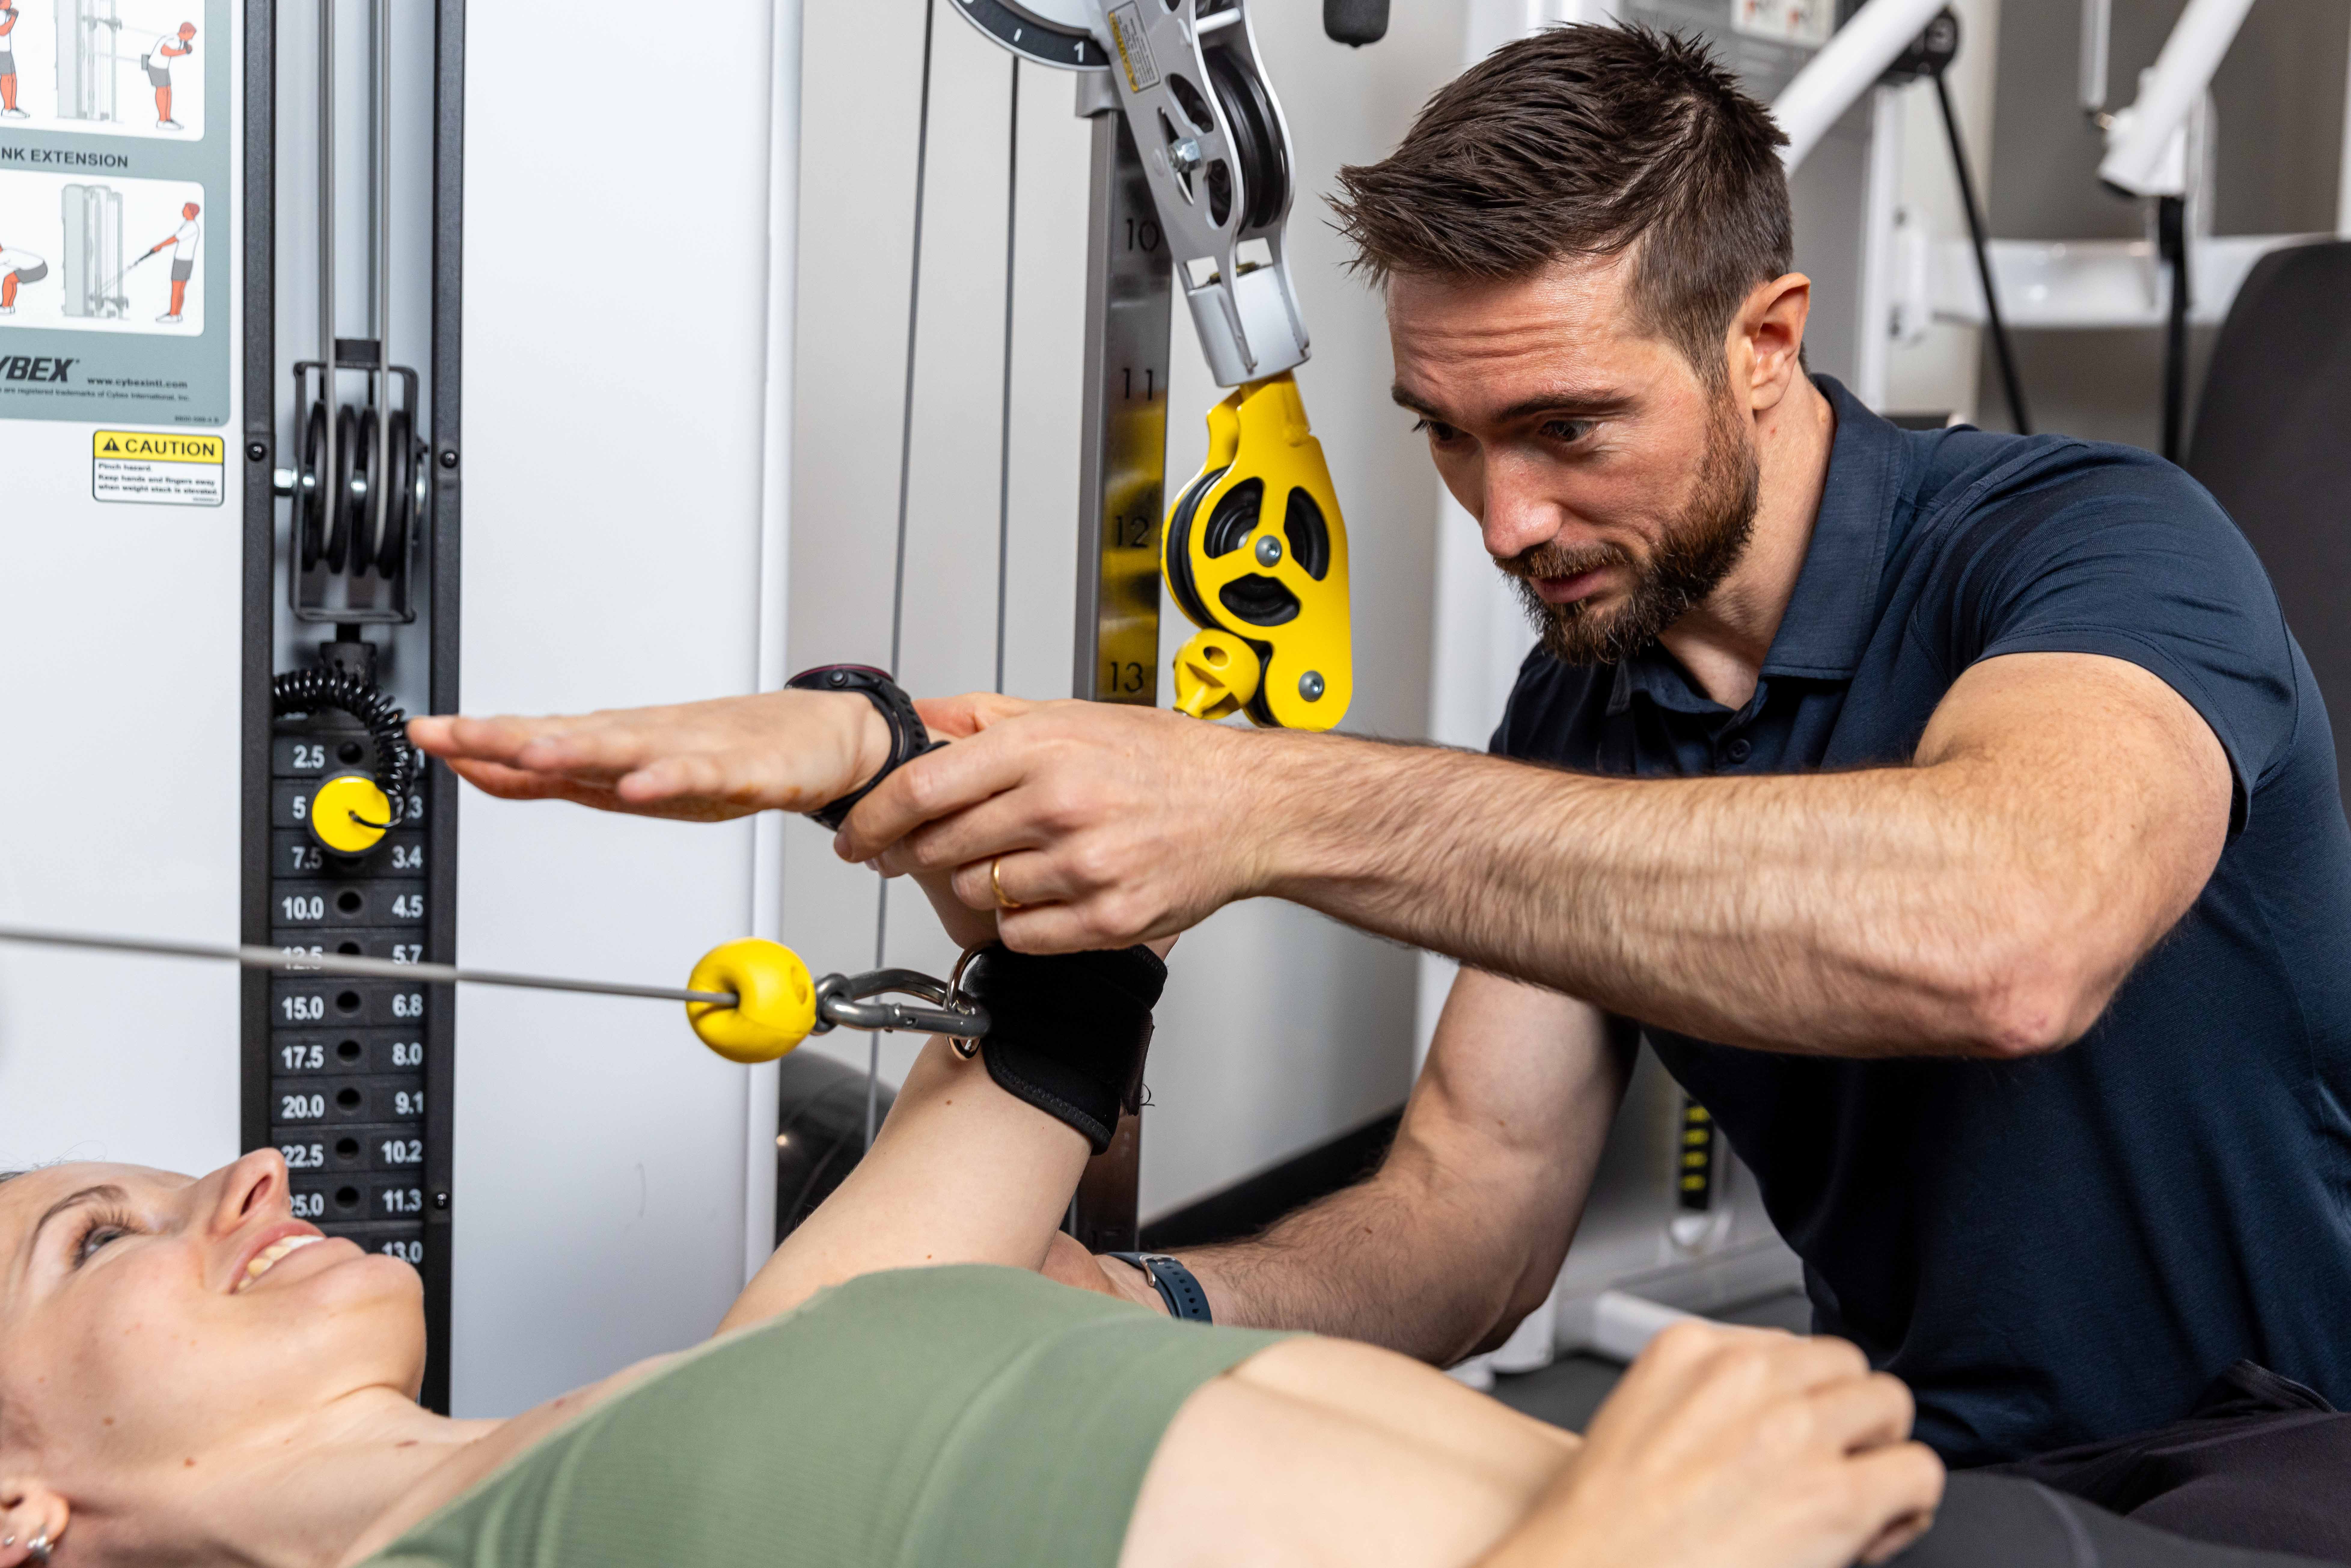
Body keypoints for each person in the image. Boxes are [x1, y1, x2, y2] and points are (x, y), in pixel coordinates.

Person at [408, 18, 2351, 1529]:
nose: (1504, 519)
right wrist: (1134, 1306)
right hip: (1943, 1472)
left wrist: (1262, 803)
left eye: (1566, 428)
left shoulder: (2091, 543)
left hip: (2280, 1452)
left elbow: (2007, 932)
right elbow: (1466, 1211)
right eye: (1446, 432)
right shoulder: (1590, 708)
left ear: (1764, 341)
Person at [142, 202, 198, 324]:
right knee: (180, 289)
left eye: (185, 209)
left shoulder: (191, 227)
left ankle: (173, 314)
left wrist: (159, 246)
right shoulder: (189, 225)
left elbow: (175, 238)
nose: (183, 210)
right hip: (186, 261)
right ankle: (176, 314)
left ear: (191, 212)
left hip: (182, 261)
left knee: (177, 289)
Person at [147, 23, 193, 131]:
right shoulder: (175, 40)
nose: (192, 38)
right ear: (186, 32)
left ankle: (168, 119)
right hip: (157, 66)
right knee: (162, 91)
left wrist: (186, 48)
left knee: (168, 91)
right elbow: (165, 51)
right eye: (191, 35)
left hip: (162, 67)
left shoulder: (179, 40)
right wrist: (184, 52)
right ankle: (162, 121)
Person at [0, 241, 46, 316]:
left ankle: (6, 307)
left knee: (9, 280)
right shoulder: (7, 252)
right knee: (10, 280)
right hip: (41, 267)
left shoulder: (3, 256)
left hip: (38, 269)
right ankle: (9, 307)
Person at [0, 2, 25, 121]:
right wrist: (14, 19)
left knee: (13, 78)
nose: (11, 2)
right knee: (7, 79)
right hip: (2, 52)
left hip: (6, 50)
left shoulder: (5, 13)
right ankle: (8, 109)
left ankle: (13, 107)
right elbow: (3, 31)